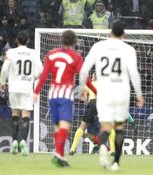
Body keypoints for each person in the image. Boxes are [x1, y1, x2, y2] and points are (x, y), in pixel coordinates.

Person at [79, 20, 144, 171]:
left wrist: (82, 88)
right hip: (121, 91)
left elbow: (84, 69)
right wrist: (139, 95)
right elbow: (134, 74)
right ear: (124, 34)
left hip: (104, 91)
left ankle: (102, 148)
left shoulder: (98, 47)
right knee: (119, 127)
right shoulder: (128, 49)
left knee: (106, 126)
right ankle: (115, 162)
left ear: (110, 32)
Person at [33, 30, 97, 167]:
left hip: (52, 94)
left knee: (57, 127)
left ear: (61, 40)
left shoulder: (51, 55)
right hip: (65, 95)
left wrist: (36, 92)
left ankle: (60, 156)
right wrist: (96, 91)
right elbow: (84, 77)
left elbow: (44, 74)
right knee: (65, 126)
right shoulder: (76, 57)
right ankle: (58, 154)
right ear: (75, 42)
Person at [0, 31, 43, 156]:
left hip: (13, 87)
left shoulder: (11, 52)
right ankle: (23, 141)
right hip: (27, 87)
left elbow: (4, 69)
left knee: (15, 113)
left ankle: (14, 142)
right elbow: (41, 70)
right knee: (25, 115)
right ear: (28, 40)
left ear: (17, 40)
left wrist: (3, 83)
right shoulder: (33, 53)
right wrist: (33, 77)